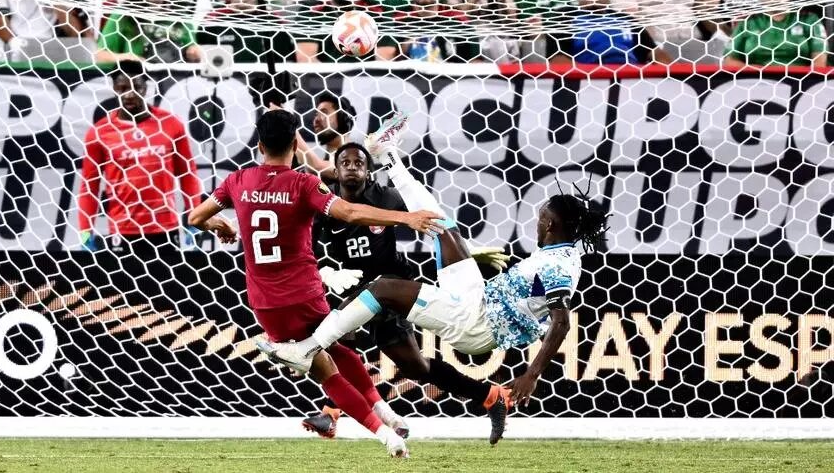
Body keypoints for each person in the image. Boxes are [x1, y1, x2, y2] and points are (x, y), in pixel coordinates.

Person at [257, 111, 608, 409]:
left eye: (540, 215)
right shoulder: (558, 253)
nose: (536, 220)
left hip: (476, 323)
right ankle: (388, 154)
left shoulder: (559, 265)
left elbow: (561, 322)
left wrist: (531, 375)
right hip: (480, 297)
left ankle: (307, 348)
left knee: (382, 290)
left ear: (549, 223)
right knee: (441, 224)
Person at [186, 109, 443, 458]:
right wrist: (406, 218)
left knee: (326, 368)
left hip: (266, 303)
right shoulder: (304, 184)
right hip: (306, 293)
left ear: (259, 145)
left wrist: (222, 226)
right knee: (338, 352)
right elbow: (350, 213)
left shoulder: (237, 181)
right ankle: (387, 419)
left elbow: (195, 217)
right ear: (295, 144)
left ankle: (387, 432)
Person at [302, 142, 514, 443]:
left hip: (392, 286)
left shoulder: (384, 197)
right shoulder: (327, 206)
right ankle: (489, 395)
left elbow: (430, 218)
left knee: (340, 337)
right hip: (356, 287)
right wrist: (326, 271)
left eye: (359, 162)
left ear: (369, 170)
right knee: (413, 365)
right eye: (345, 163)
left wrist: (468, 252)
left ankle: (332, 412)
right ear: (335, 171)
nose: (352, 167)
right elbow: (305, 249)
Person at [77, 60, 203, 304]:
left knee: (168, 300)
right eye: (122, 88)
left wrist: (194, 217)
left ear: (146, 87)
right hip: (123, 231)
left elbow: (187, 174)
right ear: (115, 89)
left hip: (164, 229)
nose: (129, 94)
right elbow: (89, 186)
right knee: (127, 303)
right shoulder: (100, 132)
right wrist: (85, 228)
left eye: (135, 87)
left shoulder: (171, 124)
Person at [545, 0, 672, 66]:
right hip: (587, 81)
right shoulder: (564, 18)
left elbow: (654, 52)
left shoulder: (626, 19)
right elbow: (557, 60)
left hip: (632, 80)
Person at [724, 0, 827, 68]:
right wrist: (757, 71)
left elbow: (819, 61)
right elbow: (728, 61)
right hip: (756, 82)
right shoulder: (748, 23)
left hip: (800, 82)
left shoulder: (809, 19)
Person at [95, 0, 202, 63]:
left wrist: (194, 54)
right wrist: (128, 59)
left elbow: (194, 50)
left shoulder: (181, 16)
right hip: (135, 81)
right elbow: (100, 55)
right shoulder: (123, 15)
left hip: (173, 83)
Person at [295, 0, 398, 62]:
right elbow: (306, 59)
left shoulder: (378, 12)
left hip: (368, 81)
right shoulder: (311, 13)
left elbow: (384, 59)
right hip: (325, 83)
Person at [197, 0, 296, 63]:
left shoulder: (273, 21)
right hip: (226, 82)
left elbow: (285, 59)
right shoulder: (212, 21)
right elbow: (199, 57)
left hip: (265, 83)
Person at [393, 0, 480, 63]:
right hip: (409, 75)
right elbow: (389, 60)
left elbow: (475, 61)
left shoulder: (457, 20)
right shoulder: (399, 21)